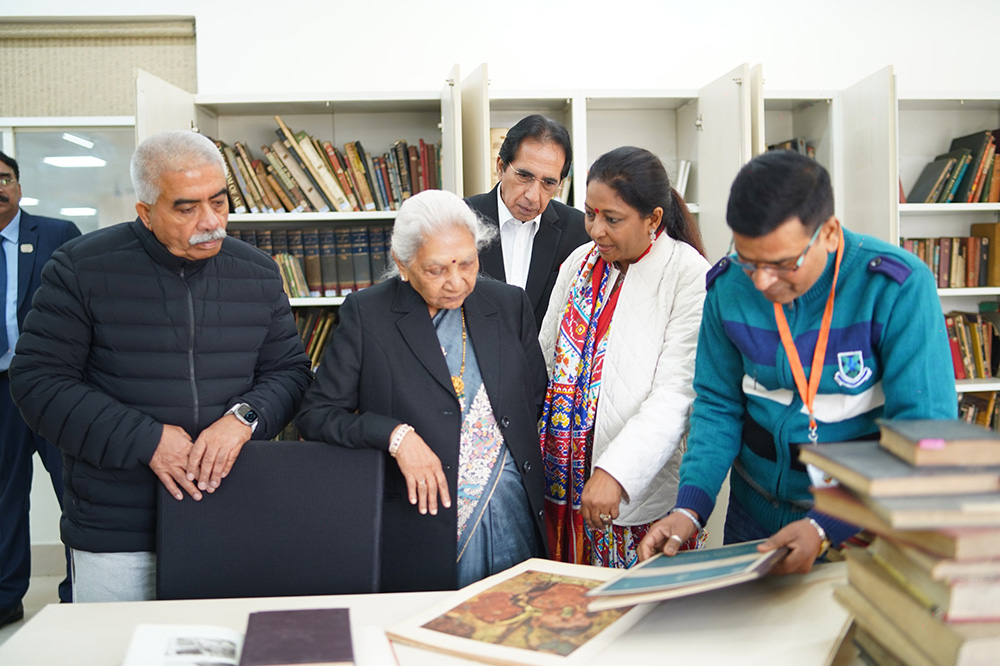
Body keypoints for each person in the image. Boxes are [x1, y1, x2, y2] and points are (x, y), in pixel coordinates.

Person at [9, 130, 312, 602]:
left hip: (230, 511)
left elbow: (290, 371)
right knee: (118, 642)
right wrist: (146, 439)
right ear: (146, 212)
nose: (210, 222)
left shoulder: (256, 271)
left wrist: (244, 418)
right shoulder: (80, 267)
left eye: (219, 202)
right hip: (118, 526)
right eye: (186, 208)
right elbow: (38, 382)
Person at [638, 150, 957, 574]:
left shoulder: (895, 287)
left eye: (783, 264)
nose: (763, 281)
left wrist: (826, 525)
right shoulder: (728, 285)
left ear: (829, 233)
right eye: (749, 261)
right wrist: (690, 508)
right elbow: (717, 407)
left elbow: (923, 432)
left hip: (861, 520)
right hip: (753, 516)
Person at [296, 188, 548, 592]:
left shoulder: (508, 305)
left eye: (467, 263)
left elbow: (533, 397)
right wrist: (397, 436)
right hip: (421, 523)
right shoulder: (368, 315)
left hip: (509, 510)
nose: (456, 282)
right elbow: (316, 415)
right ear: (403, 264)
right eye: (436, 270)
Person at [538, 146, 710, 569]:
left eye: (612, 219)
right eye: (589, 214)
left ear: (653, 219)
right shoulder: (579, 263)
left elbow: (675, 395)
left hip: (633, 493)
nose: (596, 230)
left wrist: (615, 472)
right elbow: (543, 358)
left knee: (635, 606)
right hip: (561, 481)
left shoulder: (688, 275)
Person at [0, 151, 81, 625]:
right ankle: (6, 597)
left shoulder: (57, 234)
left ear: (19, 186)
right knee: (4, 497)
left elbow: (90, 299)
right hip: (0, 393)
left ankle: (79, 591)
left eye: (5, 178)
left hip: (54, 388)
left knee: (73, 489)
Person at [466, 114, 590, 327]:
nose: (533, 196)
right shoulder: (461, 219)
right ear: (501, 167)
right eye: (524, 176)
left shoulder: (579, 231)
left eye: (548, 183)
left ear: (560, 183)